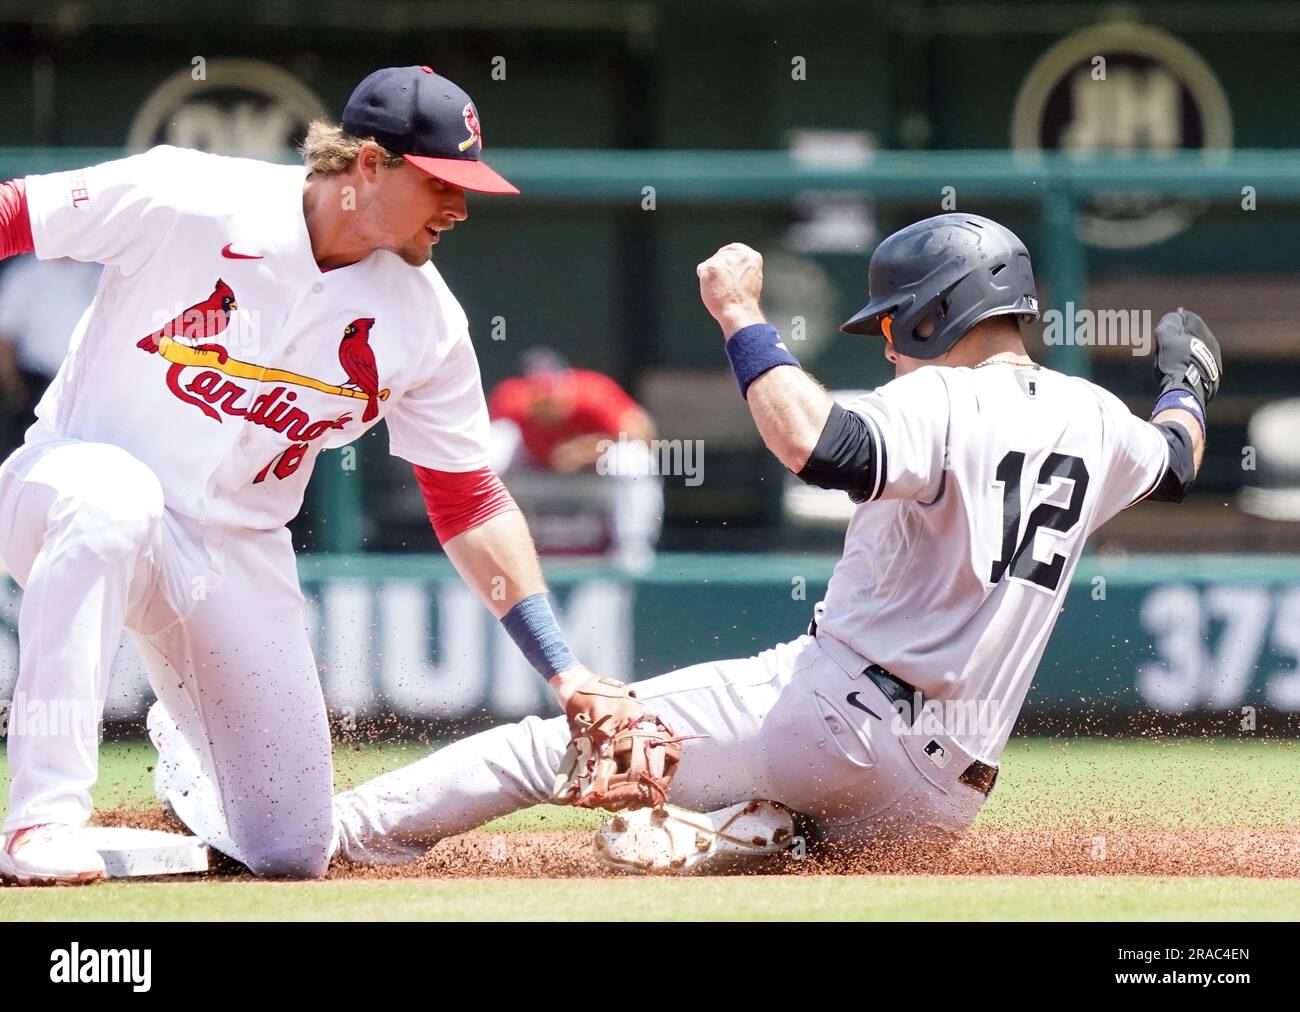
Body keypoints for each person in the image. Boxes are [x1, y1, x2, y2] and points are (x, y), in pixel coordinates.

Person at [328, 214, 1222, 873]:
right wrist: (1185, 379)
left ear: (935, 313)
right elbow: (1177, 456)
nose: (889, 347)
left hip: (839, 719)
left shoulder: (943, 396)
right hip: (942, 804)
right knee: (799, 853)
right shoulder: (1098, 419)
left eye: (891, 323)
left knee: (549, 745)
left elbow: (816, 445)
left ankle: (338, 834)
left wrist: (740, 315)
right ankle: (755, 833)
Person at [0, 66, 671, 885]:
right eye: (439, 182)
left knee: (289, 849)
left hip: (232, 551)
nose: (459, 206)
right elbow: (13, 214)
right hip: (70, 491)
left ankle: (190, 771)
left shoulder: (426, 320)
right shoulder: (186, 194)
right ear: (367, 166)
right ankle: (42, 819)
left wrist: (563, 665)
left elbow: (467, 500)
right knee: (115, 502)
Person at [488, 347, 663, 571]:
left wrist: (587, 449)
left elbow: (644, 433)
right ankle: (481, 543)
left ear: (565, 384)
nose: (546, 399)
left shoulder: (592, 392)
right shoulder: (511, 397)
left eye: (551, 389)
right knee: (494, 444)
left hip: (596, 468)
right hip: (532, 461)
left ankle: (632, 548)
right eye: (537, 392)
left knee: (634, 458)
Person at [0, 256, 101, 453]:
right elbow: (5, 338)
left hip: (88, 384)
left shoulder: (98, 270)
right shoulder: (25, 273)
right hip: (38, 383)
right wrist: (14, 390)